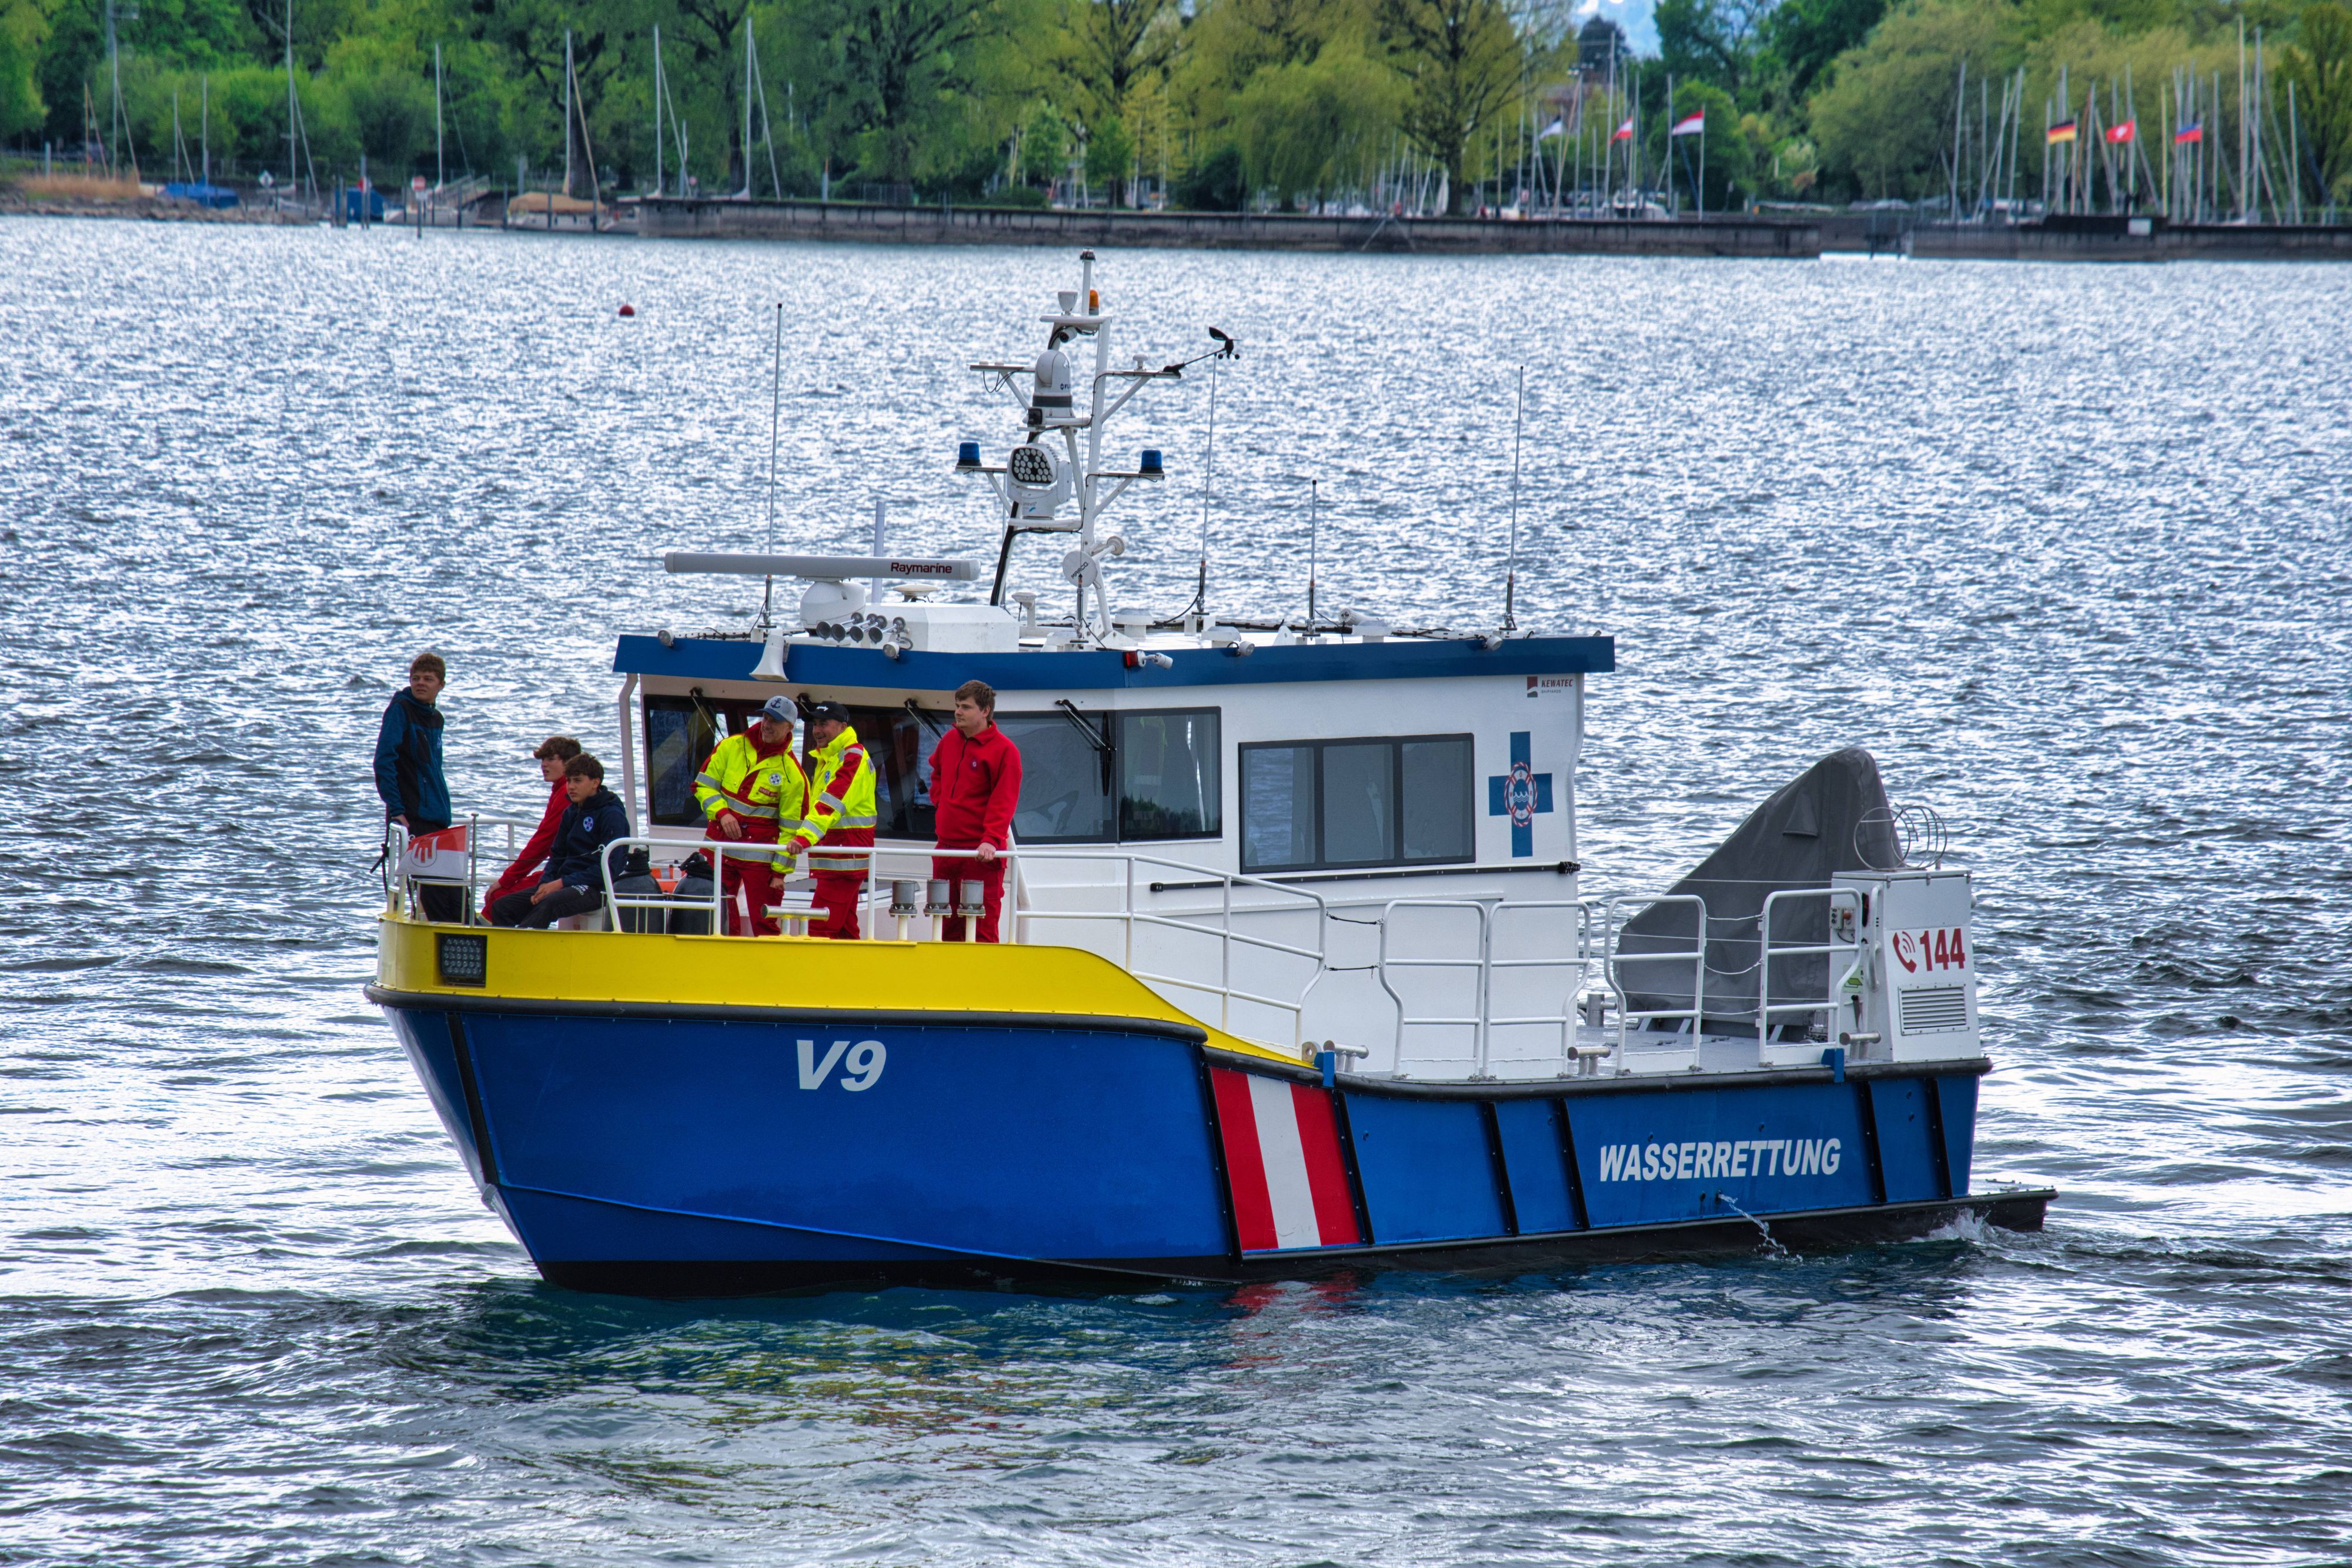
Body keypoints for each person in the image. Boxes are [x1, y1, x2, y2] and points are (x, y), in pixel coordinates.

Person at [692, 696, 806, 937]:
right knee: (715, 916)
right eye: (765, 717)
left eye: (775, 720)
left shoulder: (793, 775)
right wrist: (722, 814)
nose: (767, 724)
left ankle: (766, 972)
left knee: (764, 924)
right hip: (718, 849)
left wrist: (779, 874)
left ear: (790, 727)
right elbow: (702, 787)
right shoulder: (730, 747)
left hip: (760, 862)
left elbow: (791, 830)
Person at [488, 753, 632, 928]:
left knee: (549, 903)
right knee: (502, 907)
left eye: (578, 781)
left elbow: (609, 869)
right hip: (565, 881)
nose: (571, 787)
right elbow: (556, 856)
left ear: (595, 783)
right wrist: (545, 883)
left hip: (596, 887)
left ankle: (524, 945)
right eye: (569, 781)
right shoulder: (571, 812)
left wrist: (560, 883)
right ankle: (508, 949)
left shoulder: (611, 815)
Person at [928, 680, 1022, 942]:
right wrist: (941, 802)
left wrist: (990, 840)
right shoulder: (949, 741)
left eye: (966, 707)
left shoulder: (1005, 751)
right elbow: (936, 772)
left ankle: (984, 981)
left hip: (981, 855)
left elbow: (1004, 800)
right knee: (946, 925)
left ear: (985, 711)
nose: (958, 712)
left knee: (981, 928)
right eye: (958, 706)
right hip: (946, 851)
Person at [374, 651, 460, 922]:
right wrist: (396, 809)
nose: (420, 683)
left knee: (456, 892)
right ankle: (447, 942)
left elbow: (433, 768)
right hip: (413, 816)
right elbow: (384, 761)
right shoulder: (401, 710)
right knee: (433, 893)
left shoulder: (436, 718)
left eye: (428, 679)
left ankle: (465, 933)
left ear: (441, 685)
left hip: (437, 817)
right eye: (416, 678)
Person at [783, 701, 876, 940]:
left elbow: (831, 803)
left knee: (819, 930)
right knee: (845, 930)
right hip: (837, 859)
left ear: (843, 727)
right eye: (815, 724)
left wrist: (804, 838)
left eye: (823, 724)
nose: (817, 730)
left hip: (843, 860)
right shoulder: (831, 757)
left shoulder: (851, 758)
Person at [480, 735, 581, 920]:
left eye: (551, 759)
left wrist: (506, 880)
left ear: (568, 763)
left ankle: (490, 943)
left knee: (499, 898)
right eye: (543, 759)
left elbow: (542, 843)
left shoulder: (565, 794)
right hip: (562, 869)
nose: (544, 764)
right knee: (500, 897)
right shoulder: (561, 792)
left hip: (567, 873)